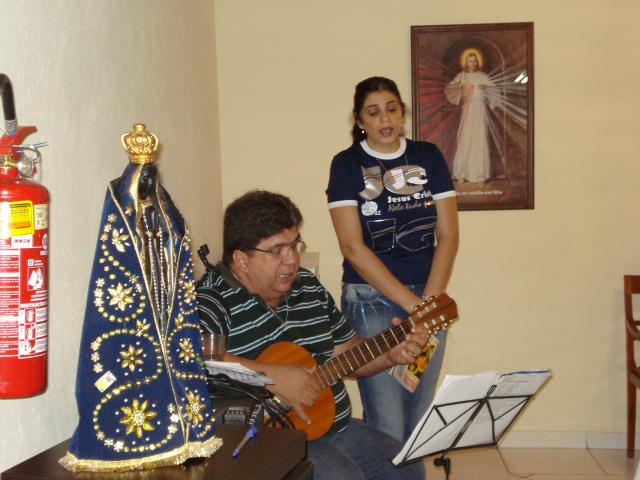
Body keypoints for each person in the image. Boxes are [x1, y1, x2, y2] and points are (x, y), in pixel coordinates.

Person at [197, 190, 426, 480]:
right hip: (267, 440)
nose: (292, 260)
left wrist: (388, 356)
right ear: (241, 260)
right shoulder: (212, 299)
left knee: (408, 467)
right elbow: (191, 357)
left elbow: (346, 352)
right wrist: (273, 377)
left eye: (294, 245)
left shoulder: (307, 286)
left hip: (334, 425)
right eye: (277, 250)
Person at [326, 76, 459, 443]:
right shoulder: (346, 164)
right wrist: (416, 308)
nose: (384, 119)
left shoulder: (428, 156)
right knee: (387, 422)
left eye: (391, 109)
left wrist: (428, 305)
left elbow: (448, 237)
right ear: (359, 120)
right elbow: (352, 247)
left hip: (428, 296)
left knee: (419, 414)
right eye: (373, 112)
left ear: (402, 113)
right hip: (370, 300)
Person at [445, 52, 496, 185]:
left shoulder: (483, 76)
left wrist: (484, 88)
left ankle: (480, 176)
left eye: (474, 61)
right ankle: (462, 173)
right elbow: (450, 88)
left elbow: (494, 91)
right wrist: (462, 87)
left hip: (480, 111)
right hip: (468, 110)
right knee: (466, 138)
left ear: (477, 62)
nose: (472, 63)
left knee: (480, 139)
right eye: (470, 61)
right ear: (466, 62)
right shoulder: (462, 76)